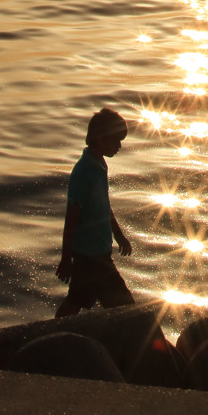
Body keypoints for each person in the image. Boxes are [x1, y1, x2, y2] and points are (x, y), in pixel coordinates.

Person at [55, 107, 135, 317]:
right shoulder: (84, 173)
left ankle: (54, 330)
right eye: (116, 141)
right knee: (125, 307)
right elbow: (71, 219)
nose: (119, 146)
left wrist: (119, 237)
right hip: (91, 258)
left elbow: (104, 208)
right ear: (100, 139)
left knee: (77, 299)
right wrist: (66, 259)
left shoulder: (100, 165)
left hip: (98, 253)